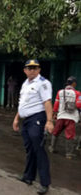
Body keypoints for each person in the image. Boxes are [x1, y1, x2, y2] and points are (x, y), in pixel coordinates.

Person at [12, 59, 54, 195]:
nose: (32, 70)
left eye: (34, 68)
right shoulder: (25, 83)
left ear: (39, 69)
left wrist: (49, 121)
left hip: (37, 118)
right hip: (27, 120)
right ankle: (28, 177)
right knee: (29, 149)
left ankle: (44, 183)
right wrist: (17, 118)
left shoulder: (43, 83)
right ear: (25, 70)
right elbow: (22, 103)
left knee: (39, 150)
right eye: (29, 68)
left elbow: (47, 102)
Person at [48, 76, 81, 159]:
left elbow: (56, 105)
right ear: (73, 83)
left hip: (61, 116)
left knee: (56, 132)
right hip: (71, 118)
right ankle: (69, 154)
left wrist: (54, 113)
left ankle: (52, 148)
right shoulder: (78, 93)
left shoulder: (60, 92)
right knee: (70, 135)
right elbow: (78, 105)